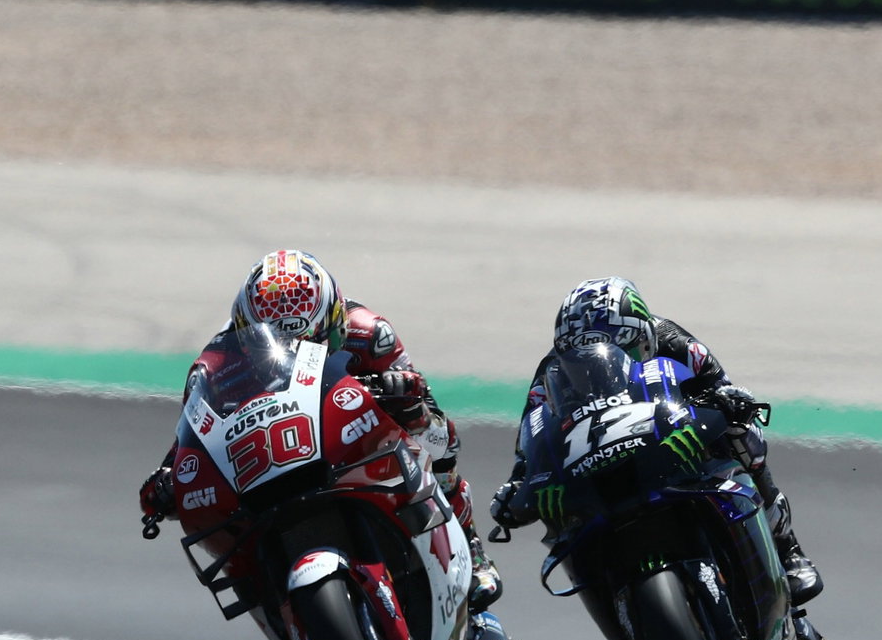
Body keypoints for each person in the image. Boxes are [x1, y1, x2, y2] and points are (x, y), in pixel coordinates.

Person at [137, 249, 502, 610]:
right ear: (245, 330)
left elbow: (436, 423)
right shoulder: (214, 363)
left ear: (334, 319)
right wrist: (169, 477)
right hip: (271, 461)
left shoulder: (371, 334)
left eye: (304, 341)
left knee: (434, 442)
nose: (291, 349)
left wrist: (405, 398)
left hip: (347, 443)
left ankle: (470, 545)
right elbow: (191, 437)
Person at [489, 276, 822, 605]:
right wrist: (518, 484)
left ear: (644, 335)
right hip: (596, 459)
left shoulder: (676, 341)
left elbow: (723, 388)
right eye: (578, 355)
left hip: (672, 435)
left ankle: (788, 549)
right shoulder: (550, 372)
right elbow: (531, 437)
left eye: (621, 346)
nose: (596, 364)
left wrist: (728, 406)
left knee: (744, 435)